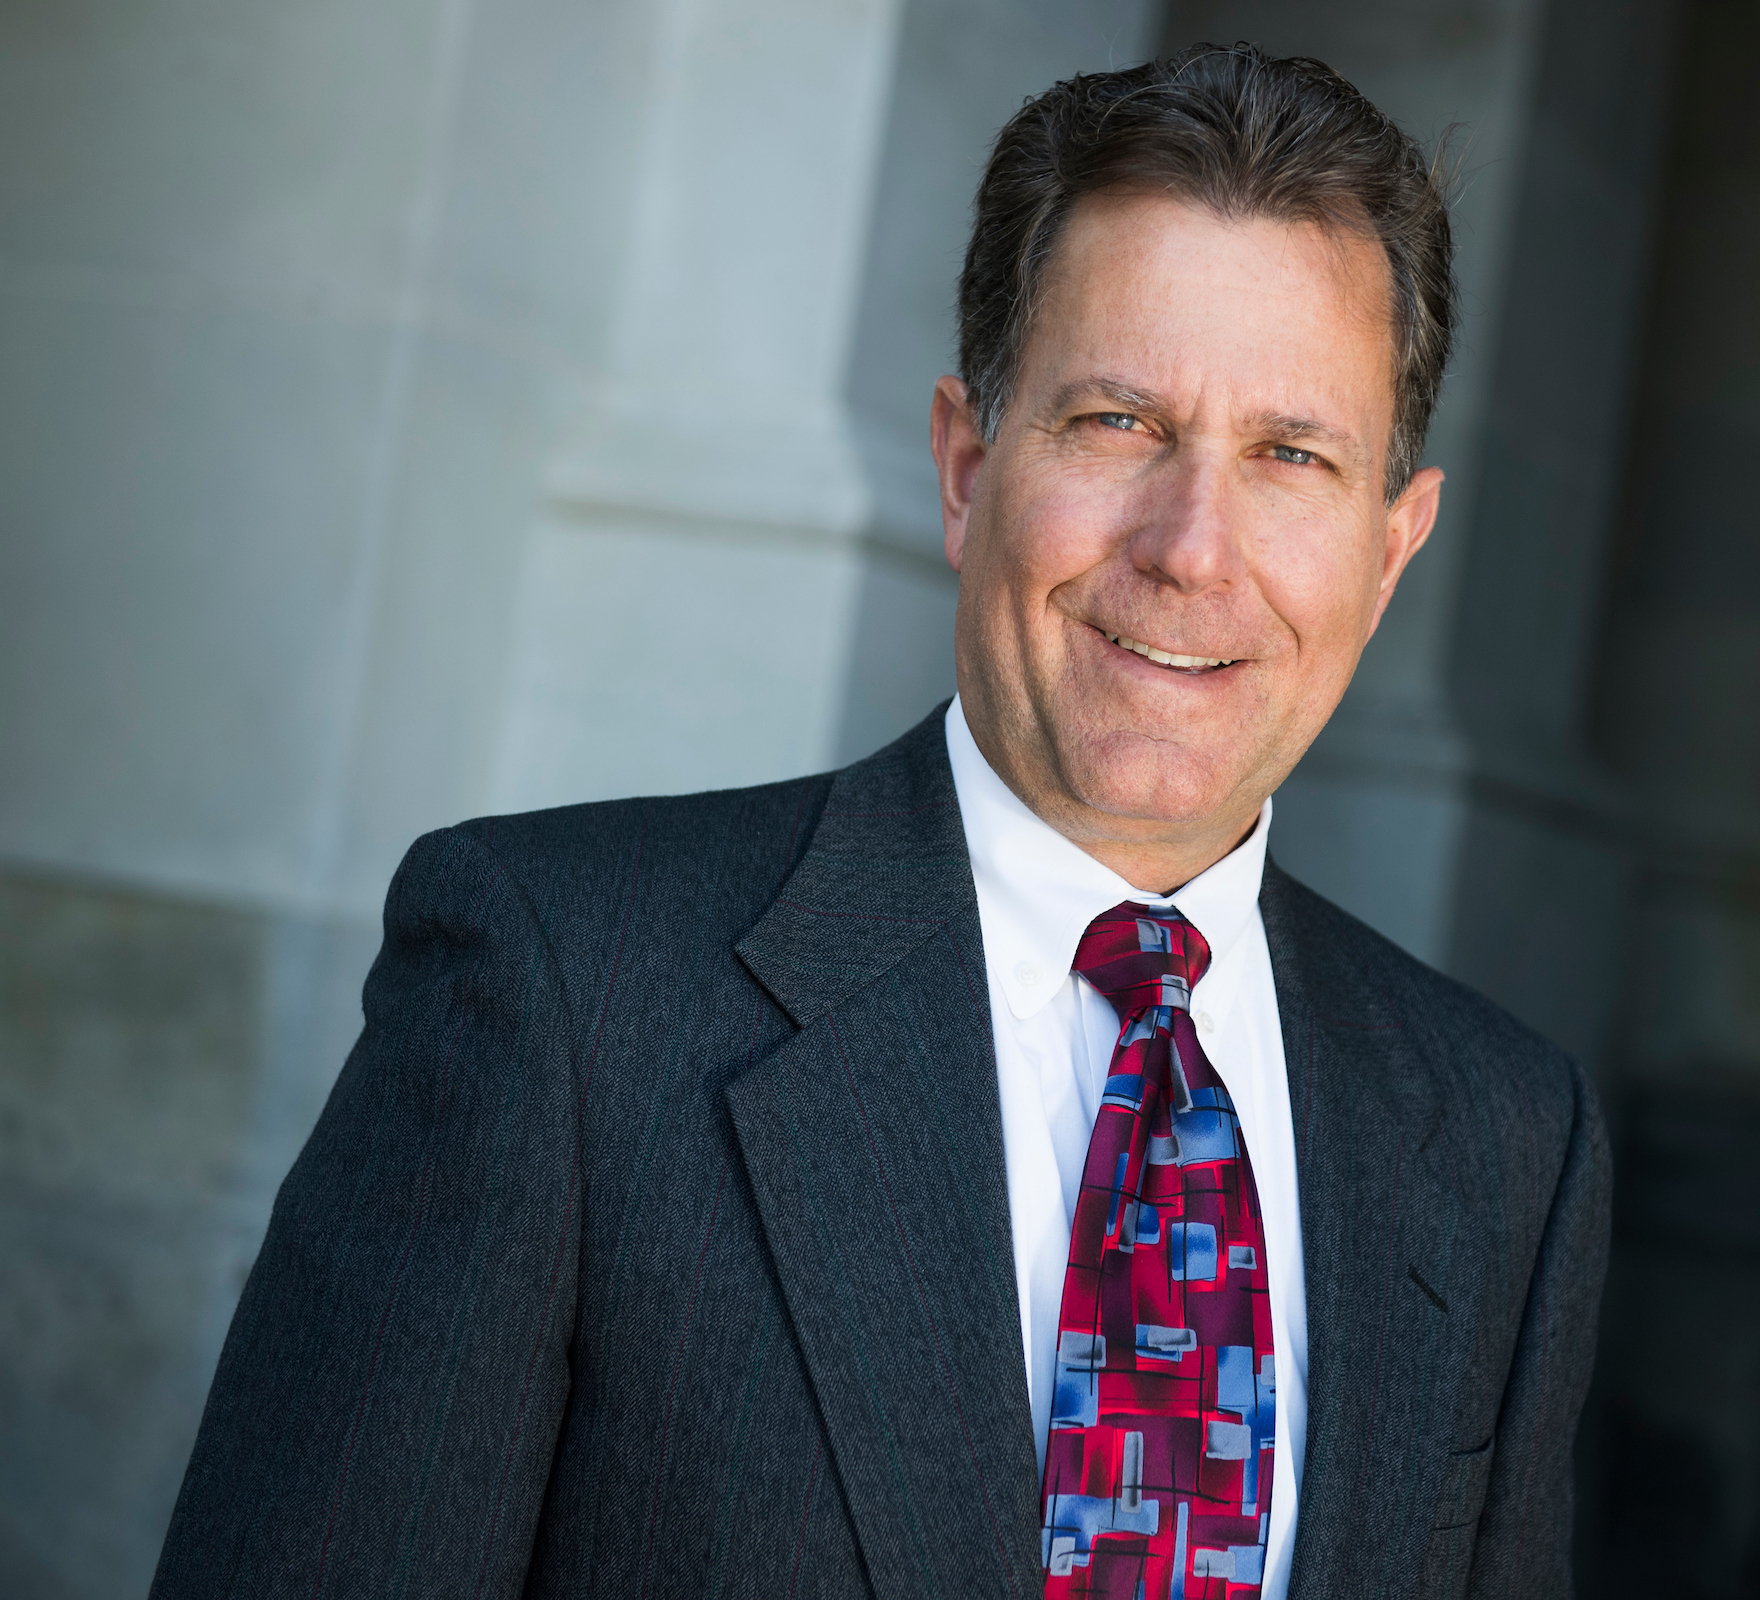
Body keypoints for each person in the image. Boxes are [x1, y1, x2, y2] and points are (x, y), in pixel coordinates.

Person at [151, 42, 1608, 1600]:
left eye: (1290, 456)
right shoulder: (561, 996)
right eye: (1118, 423)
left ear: (1390, 553)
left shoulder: (1505, 1137)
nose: (1193, 549)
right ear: (968, 469)